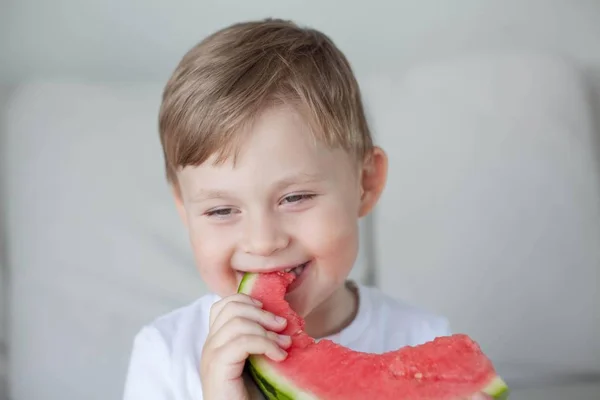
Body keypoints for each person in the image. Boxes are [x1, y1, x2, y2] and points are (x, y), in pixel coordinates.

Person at [122, 18, 491, 400]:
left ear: (365, 183)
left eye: (294, 198)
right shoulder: (164, 355)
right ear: (184, 210)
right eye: (221, 211)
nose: (263, 242)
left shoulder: (422, 336)